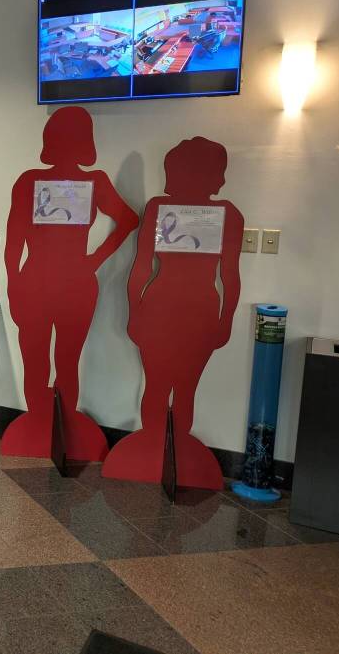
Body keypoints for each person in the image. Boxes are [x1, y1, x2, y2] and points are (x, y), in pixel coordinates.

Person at [103, 137, 242, 489]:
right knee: (179, 386)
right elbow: (229, 277)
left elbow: (140, 271)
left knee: (164, 384)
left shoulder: (165, 210)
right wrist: (225, 320)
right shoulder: (216, 213)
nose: (223, 181)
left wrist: (135, 312)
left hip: (169, 306)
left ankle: (163, 450)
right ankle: (162, 451)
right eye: (220, 173)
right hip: (191, 308)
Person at [1, 107, 138, 461]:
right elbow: (128, 220)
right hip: (68, 281)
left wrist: (14, 282)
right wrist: (92, 261)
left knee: (46, 360)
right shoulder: (85, 182)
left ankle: (44, 428)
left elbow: (14, 241)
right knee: (61, 360)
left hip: (45, 281)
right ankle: (50, 430)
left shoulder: (34, 180)